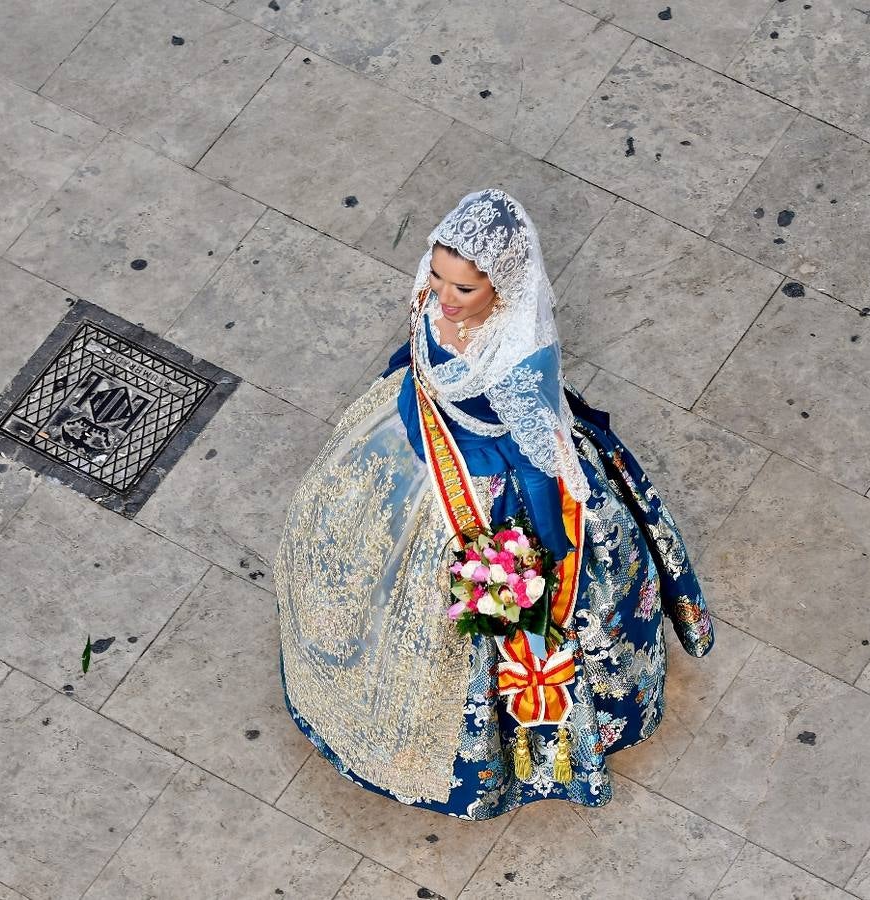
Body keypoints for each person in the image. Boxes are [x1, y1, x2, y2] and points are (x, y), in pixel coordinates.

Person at [273, 188, 714, 820]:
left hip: (492, 494)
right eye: (439, 276)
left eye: (465, 290)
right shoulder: (433, 296)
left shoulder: (516, 358)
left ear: (503, 288)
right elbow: (416, 357)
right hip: (417, 444)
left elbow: (539, 465)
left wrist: (557, 551)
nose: (443, 299)